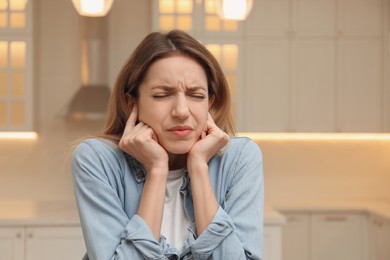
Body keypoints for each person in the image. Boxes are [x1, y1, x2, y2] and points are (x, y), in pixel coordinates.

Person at [72, 29, 264, 260]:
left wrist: (199, 167)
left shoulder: (240, 158)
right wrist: (156, 169)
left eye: (196, 95)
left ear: (210, 104)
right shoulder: (97, 159)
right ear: (131, 102)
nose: (182, 111)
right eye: (162, 95)